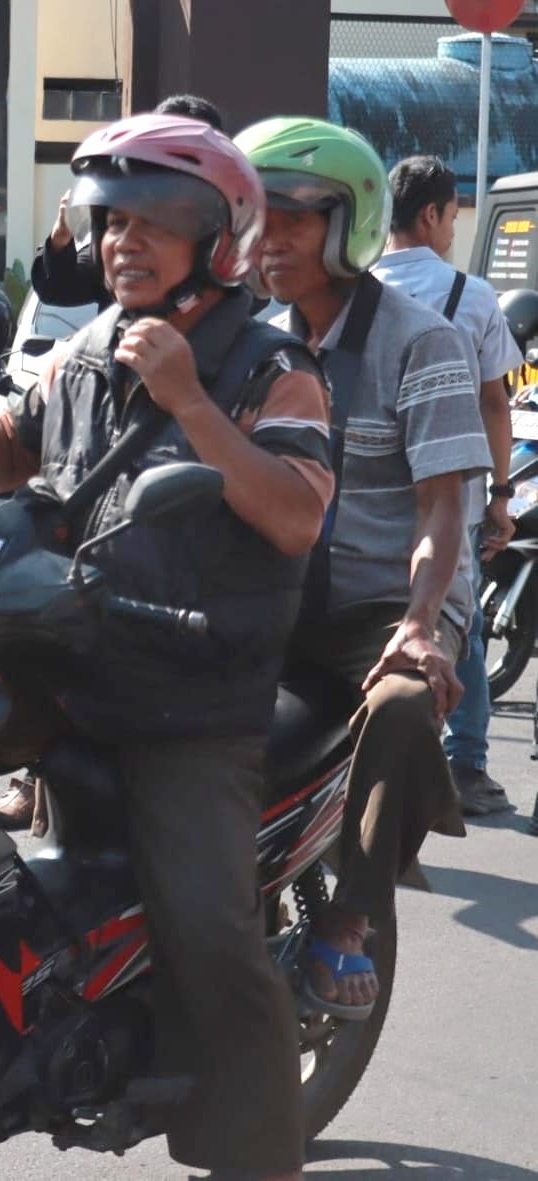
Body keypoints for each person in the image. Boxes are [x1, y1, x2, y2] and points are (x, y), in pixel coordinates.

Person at [0, 112, 329, 1181]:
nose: (126, 245)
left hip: (192, 701)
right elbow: (14, 460)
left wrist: (191, 402)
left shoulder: (269, 365)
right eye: (114, 221)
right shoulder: (84, 348)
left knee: (209, 933)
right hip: (64, 660)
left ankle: (254, 1155)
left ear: (220, 238)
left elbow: (294, 515)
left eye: (161, 222)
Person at [241, 117, 488, 1022]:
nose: (269, 240)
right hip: (283, 603)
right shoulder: (253, 342)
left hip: (391, 602)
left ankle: (347, 919)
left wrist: (421, 621)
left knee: (397, 707)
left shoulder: (421, 341)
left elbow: (442, 506)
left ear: (349, 222)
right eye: (255, 218)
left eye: (292, 219)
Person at [374, 154, 521, 816]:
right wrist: (498, 493)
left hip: (367, 487)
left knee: (373, 608)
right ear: (430, 214)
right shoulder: (471, 296)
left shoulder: (353, 286)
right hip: (450, 485)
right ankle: (462, 763)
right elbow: (495, 403)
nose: (452, 231)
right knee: (455, 617)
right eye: (453, 217)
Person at [30, 93, 223, 310]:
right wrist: (60, 238)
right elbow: (57, 288)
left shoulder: (232, 254)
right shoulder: (120, 239)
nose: (128, 243)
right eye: (118, 222)